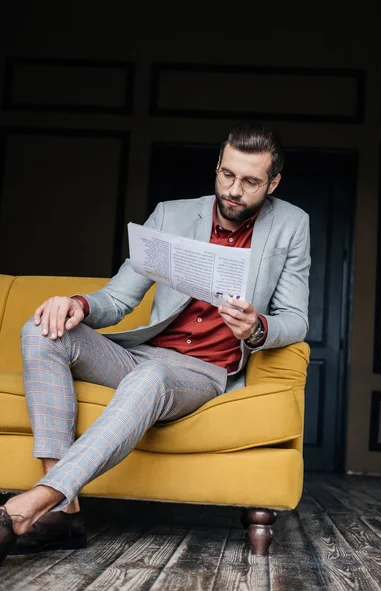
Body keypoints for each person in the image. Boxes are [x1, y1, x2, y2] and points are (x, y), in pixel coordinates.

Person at [0, 122, 311, 564]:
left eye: (250, 181)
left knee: (153, 375)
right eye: (227, 174)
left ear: (273, 182)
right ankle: (63, 512)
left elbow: (296, 320)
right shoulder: (171, 214)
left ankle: (29, 505)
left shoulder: (293, 225)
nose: (234, 190)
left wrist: (257, 328)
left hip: (203, 371)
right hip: (143, 354)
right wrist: (78, 305)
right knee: (42, 330)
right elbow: (119, 297)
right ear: (218, 166)